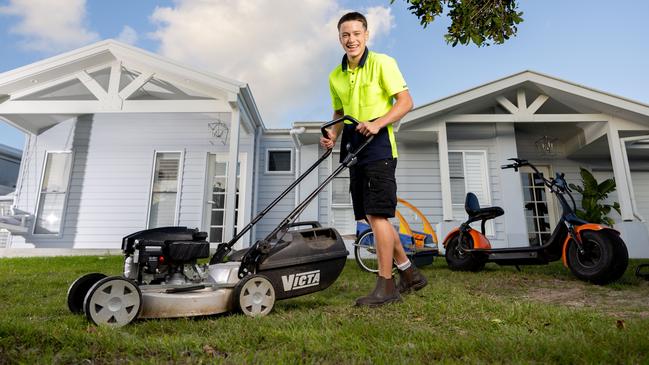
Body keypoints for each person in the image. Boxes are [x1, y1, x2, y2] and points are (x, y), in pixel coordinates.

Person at [320, 11, 427, 307]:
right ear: (339, 38)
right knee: (369, 215)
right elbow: (340, 113)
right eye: (345, 35)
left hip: (379, 145)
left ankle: (386, 284)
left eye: (356, 33)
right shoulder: (335, 75)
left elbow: (405, 102)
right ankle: (409, 273)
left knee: (378, 214)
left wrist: (379, 123)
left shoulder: (382, 63)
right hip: (354, 147)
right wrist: (332, 134)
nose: (351, 39)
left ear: (366, 35)